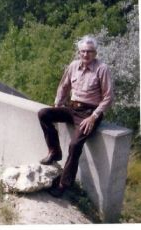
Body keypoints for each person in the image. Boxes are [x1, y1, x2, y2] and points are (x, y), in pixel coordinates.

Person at [38, 35, 113, 197]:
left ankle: (64, 184)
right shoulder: (73, 66)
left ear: (95, 53)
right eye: (83, 51)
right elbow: (63, 86)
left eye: (89, 52)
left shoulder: (102, 69)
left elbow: (108, 98)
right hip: (72, 108)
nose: (86, 55)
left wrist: (93, 117)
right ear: (79, 52)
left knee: (74, 145)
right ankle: (54, 152)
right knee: (44, 114)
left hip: (90, 113)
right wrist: (58, 104)